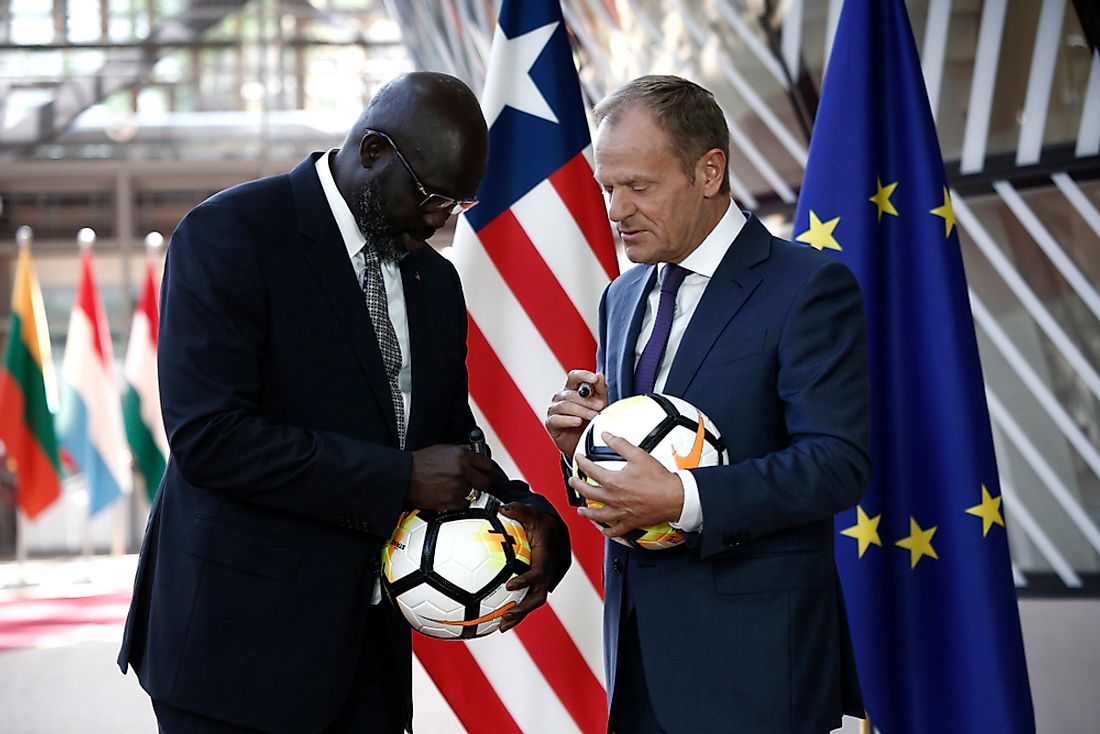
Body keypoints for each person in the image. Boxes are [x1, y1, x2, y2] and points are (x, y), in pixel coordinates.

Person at [118, 71, 571, 734]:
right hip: (237, 656)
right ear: (372, 151)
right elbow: (210, 439)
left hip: (369, 656)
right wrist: (400, 478)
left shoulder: (435, 283)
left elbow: (445, 436)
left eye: (459, 204)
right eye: (433, 197)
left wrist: (522, 510)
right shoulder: (229, 236)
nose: (441, 220)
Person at [544, 75, 869, 733]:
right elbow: (645, 466)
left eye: (639, 186)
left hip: (754, 669)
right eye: (609, 187)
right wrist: (586, 449)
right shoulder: (623, 295)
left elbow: (839, 462)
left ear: (709, 172)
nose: (616, 210)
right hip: (637, 662)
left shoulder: (807, 287)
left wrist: (685, 500)